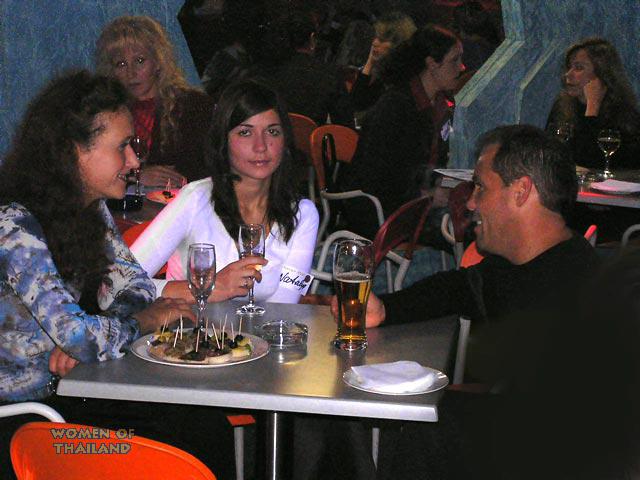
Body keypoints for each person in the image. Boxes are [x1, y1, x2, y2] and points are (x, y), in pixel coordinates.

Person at [335, 125, 601, 479]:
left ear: (521, 191)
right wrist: (386, 308)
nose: (471, 202)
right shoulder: (521, 265)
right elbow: (458, 287)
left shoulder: (575, 291)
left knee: (416, 423)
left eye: (481, 187)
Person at [0, 70, 209, 477]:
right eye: (122, 147)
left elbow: (137, 285)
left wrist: (94, 334)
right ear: (73, 151)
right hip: (24, 423)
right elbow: (81, 335)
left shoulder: (90, 208)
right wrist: (142, 322)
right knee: (172, 441)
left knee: (197, 419)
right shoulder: (14, 225)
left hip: (71, 395)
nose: (134, 161)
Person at [131, 78, 319, 305]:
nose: (261, 146)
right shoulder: (195, 199)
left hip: (258, 329)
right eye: (245, 132)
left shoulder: (301, 214)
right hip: (189, 326)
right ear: (223, 140)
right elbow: (120, 285)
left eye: (272, 131)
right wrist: (206, 288)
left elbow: (284, 307)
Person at [338, 24, 464, 240]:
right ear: (432, 64)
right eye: (454, 60)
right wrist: (428, 196)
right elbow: (378, 180)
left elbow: (427, 166)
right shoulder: (395, 108)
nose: (461, 67)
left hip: (414, 202)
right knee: (466, 229)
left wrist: (460, 181)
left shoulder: (438, 105)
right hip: (386, 214)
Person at [96, 15, 216, 185]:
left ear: (158, 62)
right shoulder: (106, 112)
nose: (131, 73)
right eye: (121, 64)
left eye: (139, 61)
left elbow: (209, 169)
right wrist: (136, 177)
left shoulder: (193, 105)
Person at [546, 37, 640, 171]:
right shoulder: (563, 106)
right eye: (569, 67)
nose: (568, 74)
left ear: (601, 73)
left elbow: (592, 161)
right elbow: (550, 154)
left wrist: (592, 107)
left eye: (578, 68)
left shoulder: (622, 113)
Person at [260, 10, 354, 126]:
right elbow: (345, 125)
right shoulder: (330, 74)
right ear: (312, 38)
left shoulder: (268, 71)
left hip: (275, 135)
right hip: (312, 137)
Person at [349, 11, 417, 112]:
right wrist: (370, 62)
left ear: (398, 45)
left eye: (382, 40)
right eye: (376, 37)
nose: (374, 43)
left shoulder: (394, 82)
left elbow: (357, 104)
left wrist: (370, 63)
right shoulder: (382, 71)